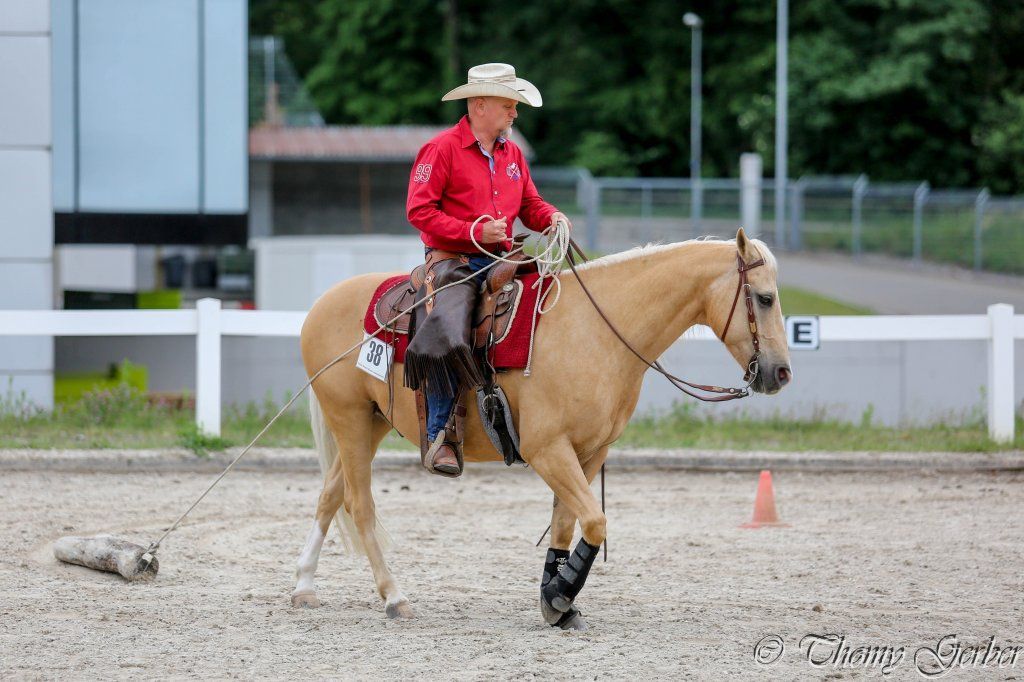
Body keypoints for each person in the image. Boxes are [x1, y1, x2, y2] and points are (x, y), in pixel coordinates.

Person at [404, 62, 571, 477]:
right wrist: (471, 230)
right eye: (509, 105)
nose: (515, 113)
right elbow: (419, 211)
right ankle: (440, 434)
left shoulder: (513, 154)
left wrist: (551, 217)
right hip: (453, 260)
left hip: (501, 259)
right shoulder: (440, 149)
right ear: (480, 105)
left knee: (555, 302)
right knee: (450, 322)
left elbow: (530, 205)